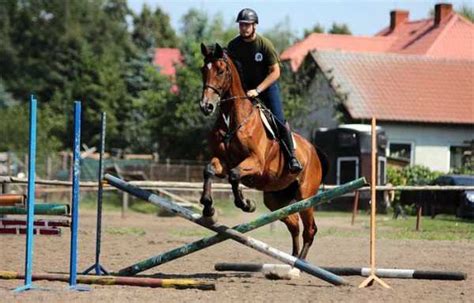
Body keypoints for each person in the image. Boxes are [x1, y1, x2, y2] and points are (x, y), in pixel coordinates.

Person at [227, 8, 303, 173]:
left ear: (255, 26)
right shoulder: (234, 45)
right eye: (241, 25)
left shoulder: (264, 45)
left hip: (266, 87)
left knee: (279, 120)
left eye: (247, 25)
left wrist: (258, 89)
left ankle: (292, 157)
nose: (244, 28)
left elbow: (276, 72)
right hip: (245, 88)